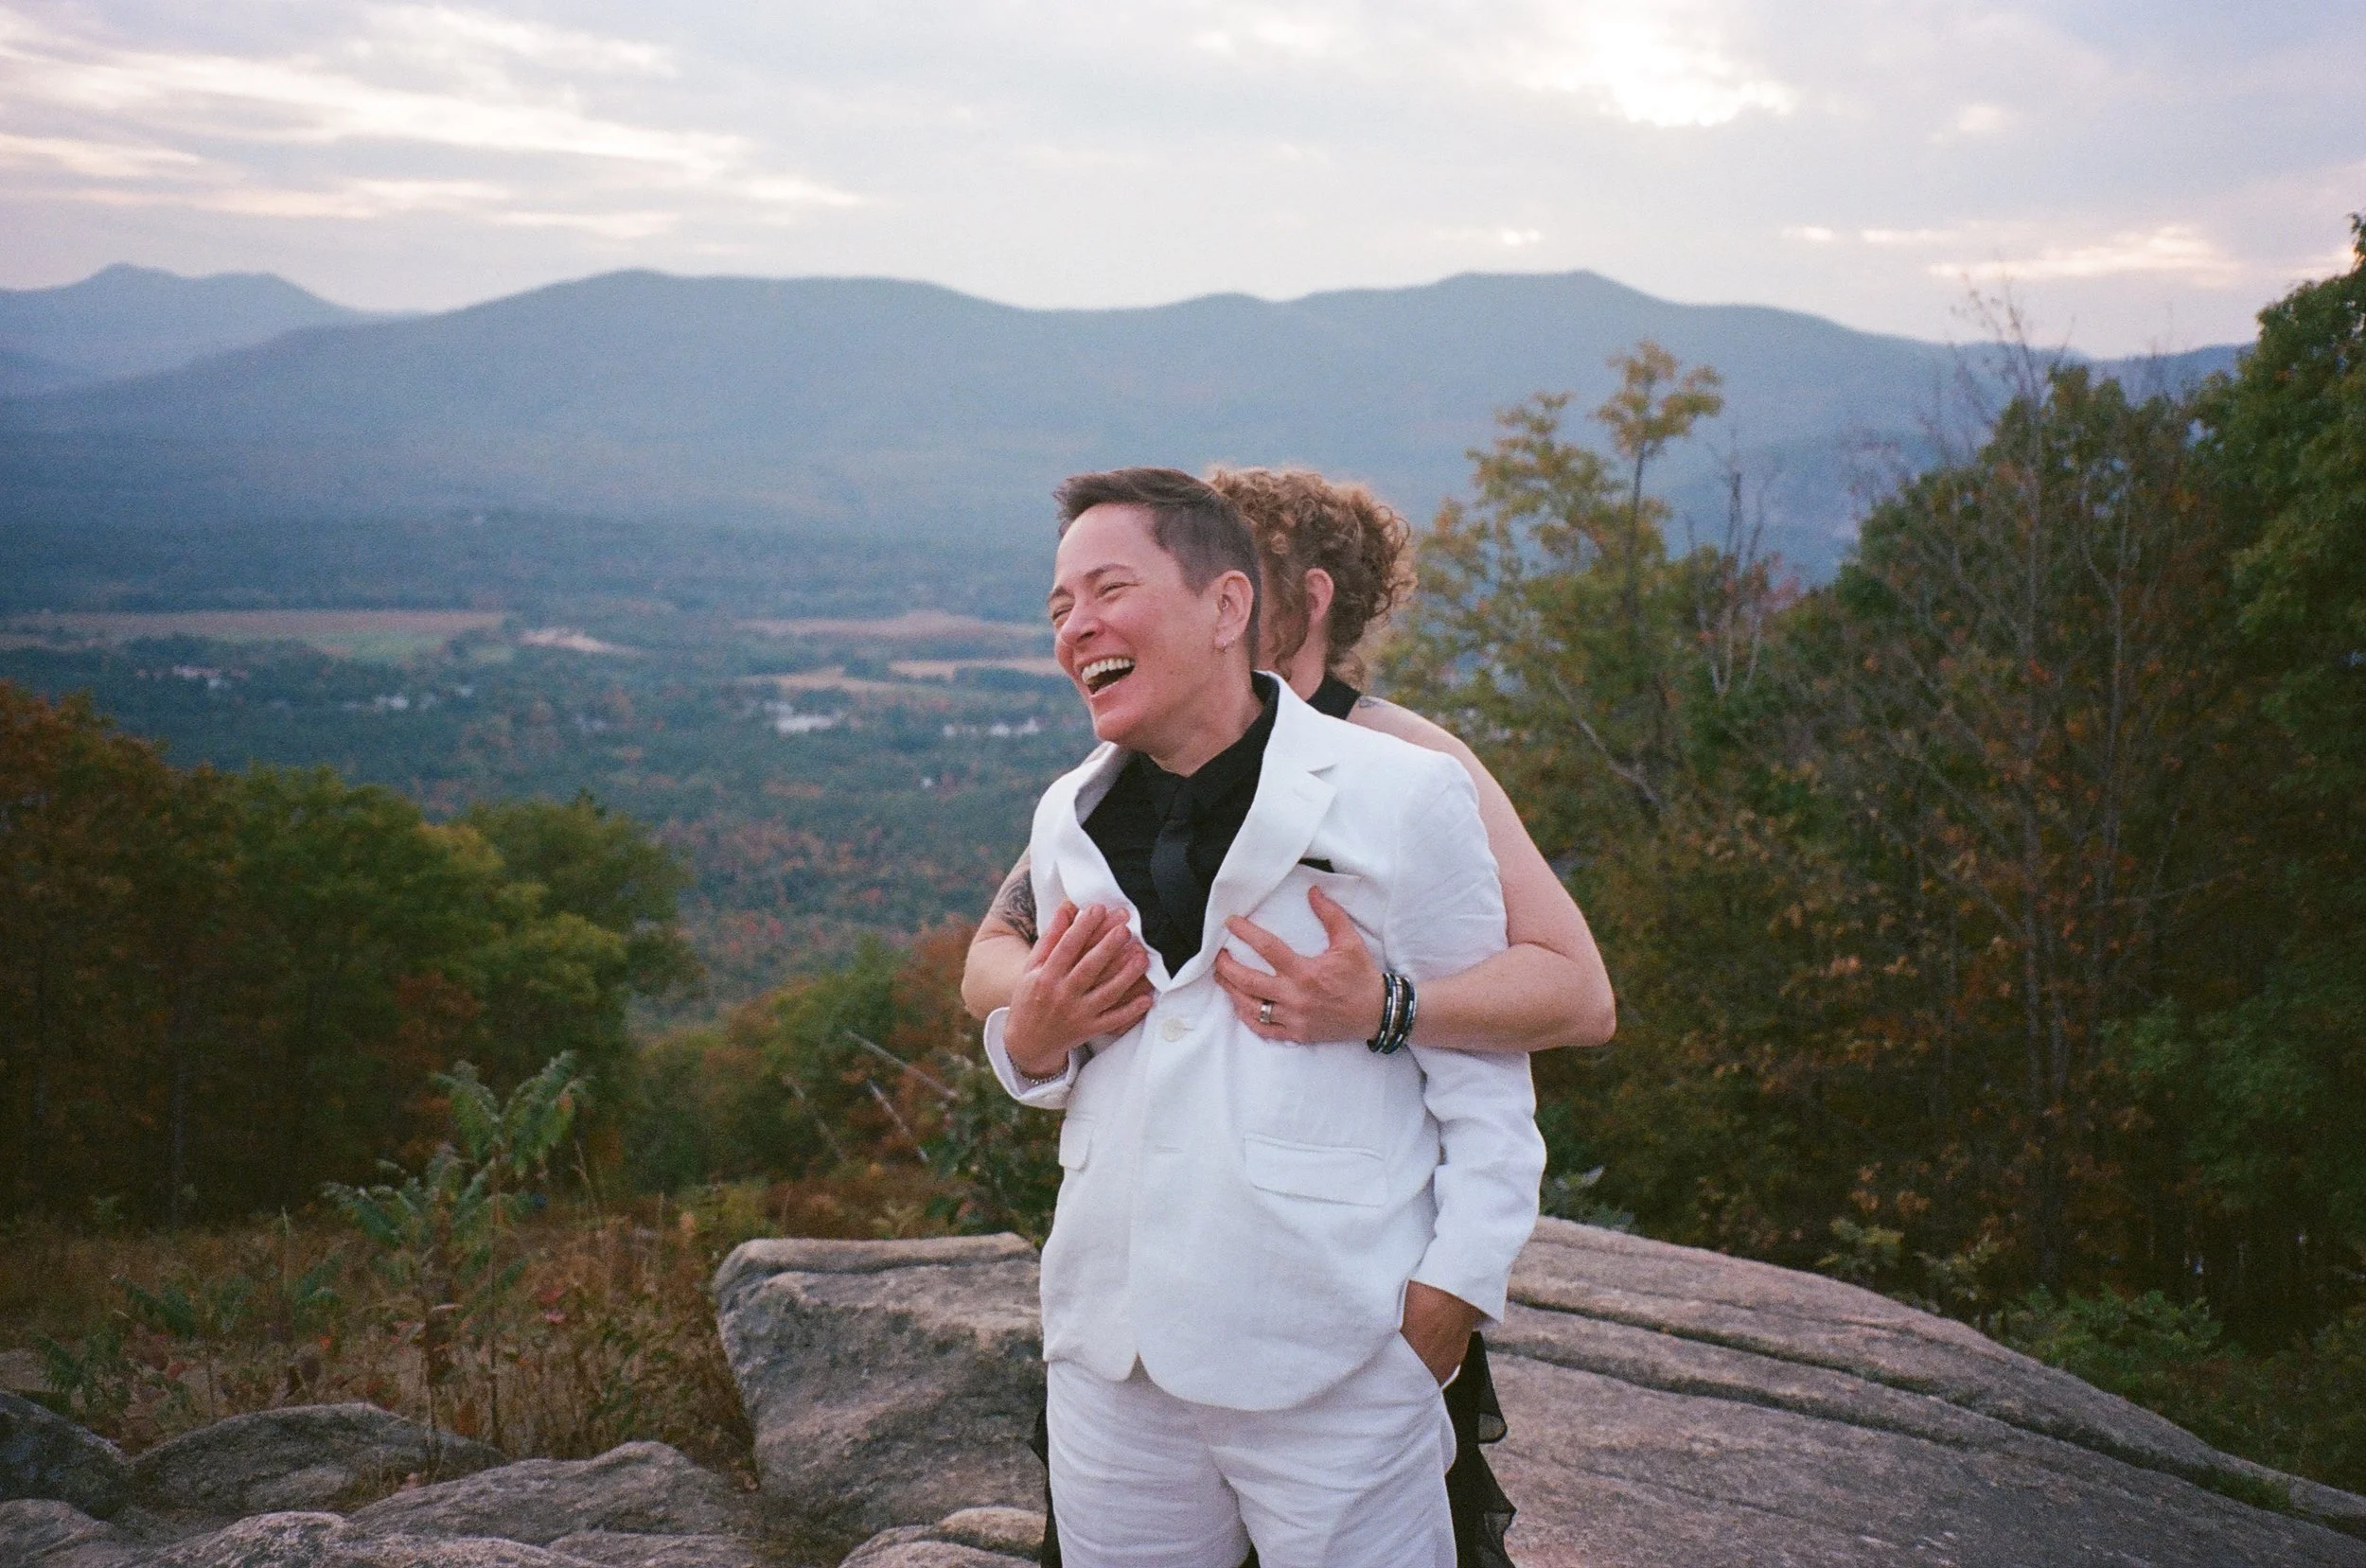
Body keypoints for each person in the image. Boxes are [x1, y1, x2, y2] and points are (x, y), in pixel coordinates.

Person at [982, 467, 1545, 1568]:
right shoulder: (1067, 817)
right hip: (1113, 1358)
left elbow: (1487, 1084)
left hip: (1334, 1355)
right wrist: (1029, 1044)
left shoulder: (1402, 794)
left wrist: (1448, 1299)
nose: (1076, 627)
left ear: (1228, 605)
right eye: (1058, 608)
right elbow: (1074, 1051)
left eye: (1107, 590)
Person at [962, 466, 1615, 1059]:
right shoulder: (1131, 772)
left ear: (1310, 598)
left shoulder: (1417, 760)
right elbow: (990, 954)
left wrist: (1385, 1007)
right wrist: (1063, 999)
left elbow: (1580, 994)